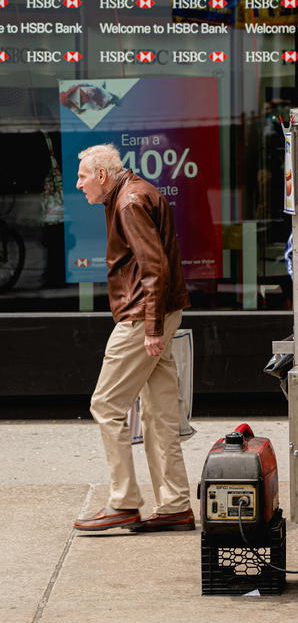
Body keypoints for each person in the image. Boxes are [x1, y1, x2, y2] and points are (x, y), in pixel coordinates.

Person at [72, 143, 195, 534]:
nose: (79, 185)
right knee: (159, 414)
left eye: (83, 176)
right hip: (160, 311)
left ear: (103, 175)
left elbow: (153, 268)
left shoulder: (128, 202)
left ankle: (123, 502)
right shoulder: (134, 192)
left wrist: (152, 329)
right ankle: (175, 505)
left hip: (142, 317)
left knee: (106, 404)